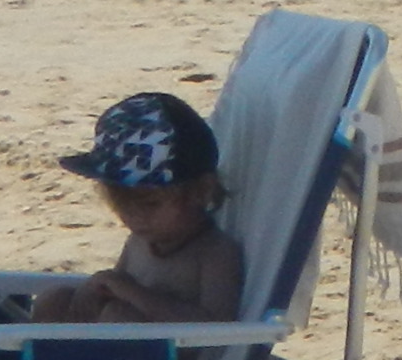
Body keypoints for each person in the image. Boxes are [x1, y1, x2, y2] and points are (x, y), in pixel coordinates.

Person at [19, 92, 241, 326]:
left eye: (150, 204)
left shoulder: (215, 253)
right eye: (121, 204)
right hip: (118, 350)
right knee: (55, 300)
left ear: (201, 191)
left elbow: (217, 327)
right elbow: (114, 291)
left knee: (119, 316)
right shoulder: (139, 242)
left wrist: (130, 291)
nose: (133, 216)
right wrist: (101, 287)